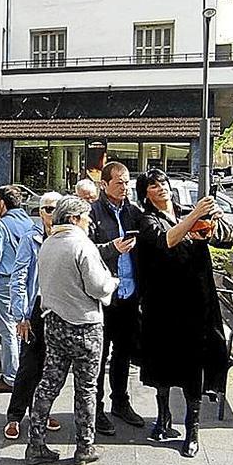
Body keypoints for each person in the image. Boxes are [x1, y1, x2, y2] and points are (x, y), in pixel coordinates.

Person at [135, 169, 230, 458]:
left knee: (193, 366)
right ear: (145, 193)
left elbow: (220, 239)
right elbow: (167, 239)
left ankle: (192, 429)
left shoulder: (189, 212)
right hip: (163, 303)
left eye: (163, 183)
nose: (160, 188)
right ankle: (163, 417)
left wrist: (216, 220)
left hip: (196, 301)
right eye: (153, 185)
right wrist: (194, 216)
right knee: (162, 363)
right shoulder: (146, 219)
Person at [25, 196, 118, 465]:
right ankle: (84, 446)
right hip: (84, 326)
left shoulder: (47, 244)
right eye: (87, 217)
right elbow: (98, 287)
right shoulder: (82, 245)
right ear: (75, 219)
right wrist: (112, 283)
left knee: (48, 385)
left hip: (54, 323)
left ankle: (36, 444)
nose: (90, 223)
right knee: (86, 389)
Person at [87, 162, 145, 435]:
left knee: (123, 353)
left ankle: (120, 401)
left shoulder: (133, 213)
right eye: (119, 182)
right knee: (99, 355)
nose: (124, 187)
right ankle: (95, 408)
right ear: (104, 184)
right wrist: (113, 248)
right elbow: (84, 253)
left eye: (126, 182)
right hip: (104, 296)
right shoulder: (92, 212)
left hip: (130, 294)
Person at [3, 191, 62, 440]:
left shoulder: (68, 236)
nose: (53, 213)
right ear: (40, 212)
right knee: (29, 365)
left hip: (60, 308)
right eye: (48, 209)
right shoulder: (31, 237)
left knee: (52, 368)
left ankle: (41, 412)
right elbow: (18, 277)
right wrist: (21, 315)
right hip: (36, 307)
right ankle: (15, 416)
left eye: (57, 209)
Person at [0, 185, 34, 392]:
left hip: (5, 282)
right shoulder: (30, 223)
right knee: (21, 327)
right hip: (25, 282)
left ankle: (11, 378)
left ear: (3, 203)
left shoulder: (2, 225)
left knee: (8, 331)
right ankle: (22, 372)